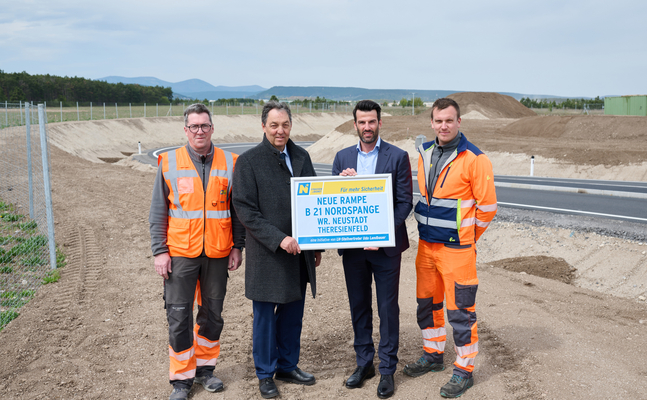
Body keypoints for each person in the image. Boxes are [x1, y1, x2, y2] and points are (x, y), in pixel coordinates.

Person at [403, 98, 497, 398]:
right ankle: (433, 355)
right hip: (426, 247)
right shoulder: (425, 153)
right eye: (439, 121)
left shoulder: (475, 159)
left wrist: (466, 237)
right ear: (432, 123)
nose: (444, 126)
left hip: (457, 251)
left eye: (449, 120)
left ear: (459, 122)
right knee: (427, 304)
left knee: (460, 312)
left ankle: (464, 370)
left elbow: (488, 208)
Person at [149, 103, 244, 400]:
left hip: (218, 252)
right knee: (179, 316)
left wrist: (237, 246)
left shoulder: (231, 162)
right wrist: (160, 251)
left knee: (212, 315)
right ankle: (181, 379)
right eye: (194, 126)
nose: (199, 131)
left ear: (212, 128)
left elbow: (237, 210)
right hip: (180, 253)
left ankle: (205, 369)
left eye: (204, 125)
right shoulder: (169, 162)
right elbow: (158, 210)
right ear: (186, 130)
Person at [232, 101, 322, 399]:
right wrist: (279, 238)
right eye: (274, 125)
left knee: (293, 313)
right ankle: (265, 373)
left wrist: (317, 246)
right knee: (265, 318)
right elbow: (245, 210)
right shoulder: (248, 162)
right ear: (263, 126)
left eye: (285, 125)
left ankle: (287, 365)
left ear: (291, 126)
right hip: (268, 254)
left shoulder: (302, 156)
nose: (280, 130)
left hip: (300, 253)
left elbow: (316, 201)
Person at [332, 100, 413, 399]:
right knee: (359, 306)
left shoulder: (398, 156)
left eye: (372, 121)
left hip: (385, 248)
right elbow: (335, 202)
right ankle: (364, 363)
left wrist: (383, 233)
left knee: (387, 309)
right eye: (362, 122)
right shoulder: (342, 158)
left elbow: (405, 202)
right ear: (355, 124)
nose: (367, 127)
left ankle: (387, 369)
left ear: (380, 123)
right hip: (354, 249)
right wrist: (339, 185)